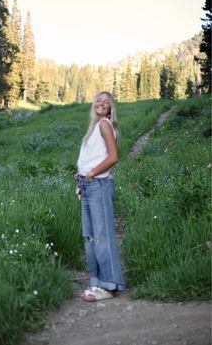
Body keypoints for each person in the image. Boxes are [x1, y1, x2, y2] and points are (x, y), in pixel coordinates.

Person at [76, 91, 125, 302]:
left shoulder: (105, 124)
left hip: (98, 185)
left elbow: (113, 157)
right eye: (99, 100)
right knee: (90, 238)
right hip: (87, 186)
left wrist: (92, 173)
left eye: (107, 102)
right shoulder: (94, 128)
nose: (101, 104)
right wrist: (81, 176)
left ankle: (110, 285)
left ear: (110, 109)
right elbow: (92, 157)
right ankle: (96, 281)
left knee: (102, 237)